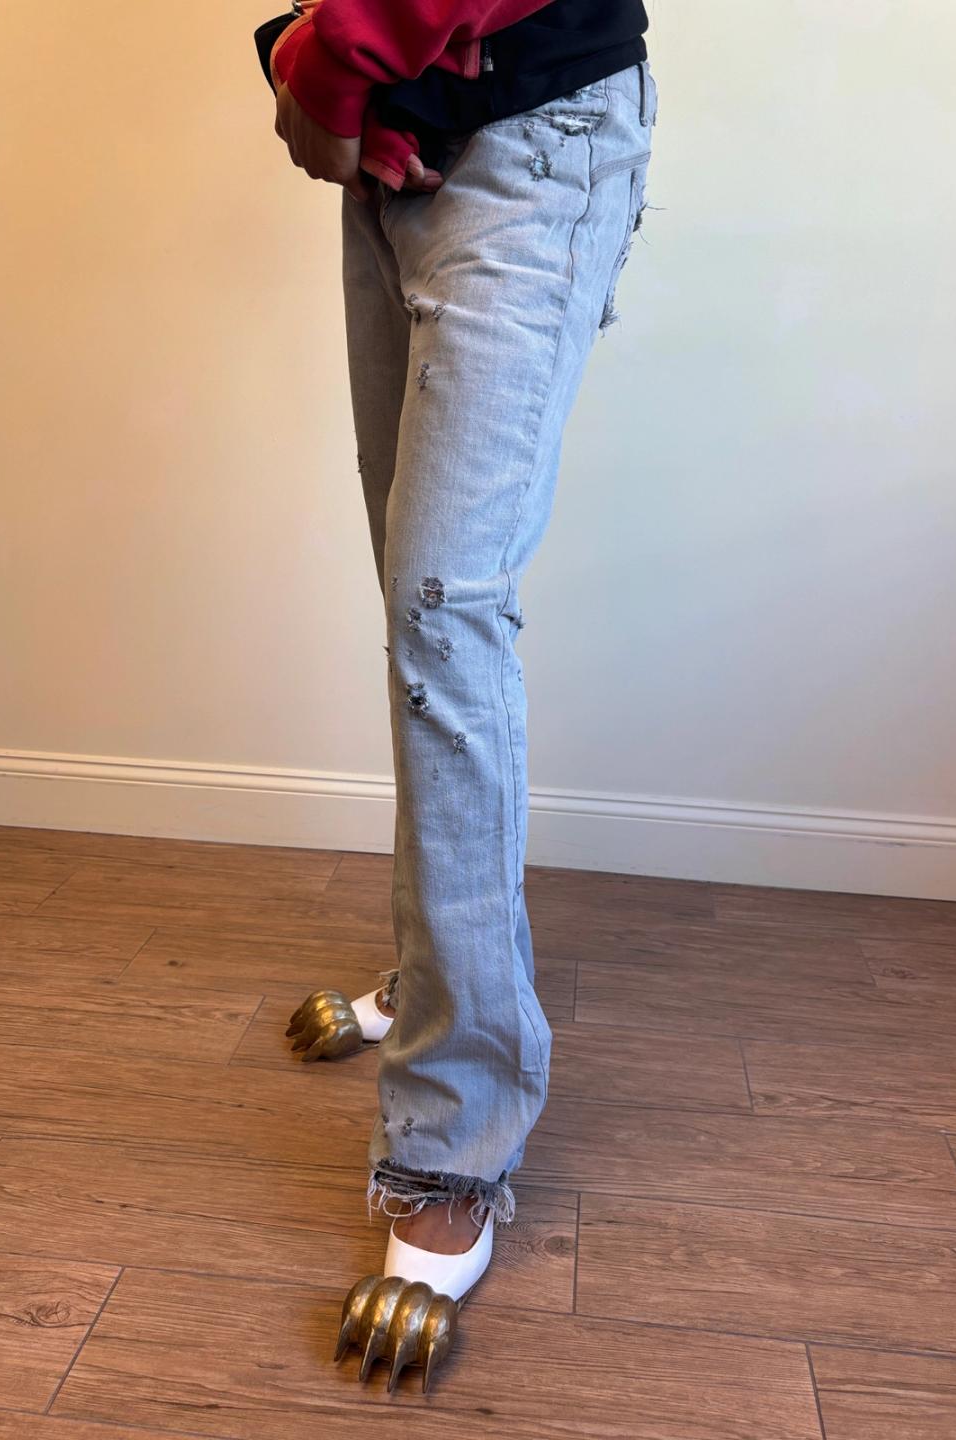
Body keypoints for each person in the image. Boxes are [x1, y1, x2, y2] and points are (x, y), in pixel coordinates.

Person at [270, 0, 656, 1392]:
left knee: (444, 613)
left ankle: (453, 1133)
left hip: (531, 139)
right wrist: (322, 60)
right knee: (420, 609)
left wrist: (328, 65)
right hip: (407, 139)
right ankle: (440, 980)